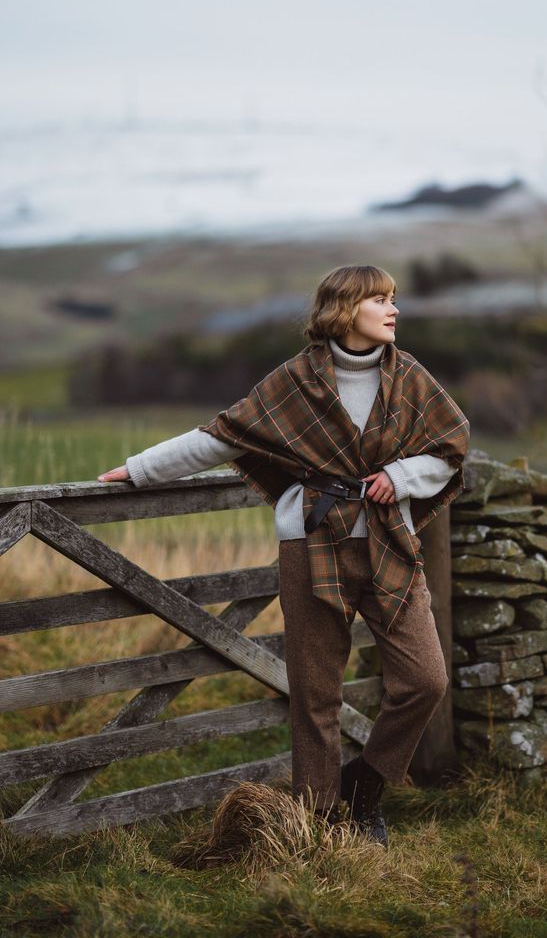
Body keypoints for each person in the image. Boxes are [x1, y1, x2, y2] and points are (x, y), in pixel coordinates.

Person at [98, 263, 470, 847]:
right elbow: (221, 437)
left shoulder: (411, 377)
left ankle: (364, 786)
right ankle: (320, 824)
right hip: (312, 545)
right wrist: (139, 469)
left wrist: (401, 475)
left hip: (388, 544)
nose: (394, 309)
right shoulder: (295, 381)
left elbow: (450, 449)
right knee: (316, 694)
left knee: (425, 678)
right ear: (346, 309)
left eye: (394, 299)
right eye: (381, 299)